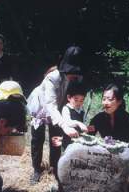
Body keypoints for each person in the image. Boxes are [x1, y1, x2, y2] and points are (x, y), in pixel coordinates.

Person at [27, 46, 88, 183]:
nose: (74, 75)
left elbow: (73, 99)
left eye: (76, 72)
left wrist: (74, 121)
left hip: (58, 108)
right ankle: (36, 169)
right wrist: (64, 125)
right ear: (64, 68)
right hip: (41, 107)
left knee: (55, 138)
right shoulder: (52, 78)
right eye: (71, 72)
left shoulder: (77, 78)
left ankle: (54, 167)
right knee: (37, 139)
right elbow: (50, 105)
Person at [88, 83, 129, 183]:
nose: (106, 103)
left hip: (127, 155)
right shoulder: (98, 118)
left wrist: (120, 154)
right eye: (104, 99)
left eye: (110, 99)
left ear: (119, 101)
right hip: (106, 154)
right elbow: (89, 137)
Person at [61, 81, 87, 150]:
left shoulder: (82, 110)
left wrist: (86, 128)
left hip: (79, 140)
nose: (78, 103)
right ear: (69, 97)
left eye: (81, 100)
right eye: (76, 100)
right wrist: (78, 123)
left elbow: (83, 122)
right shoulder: (66, 108)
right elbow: (68, 122)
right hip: (68, 140)